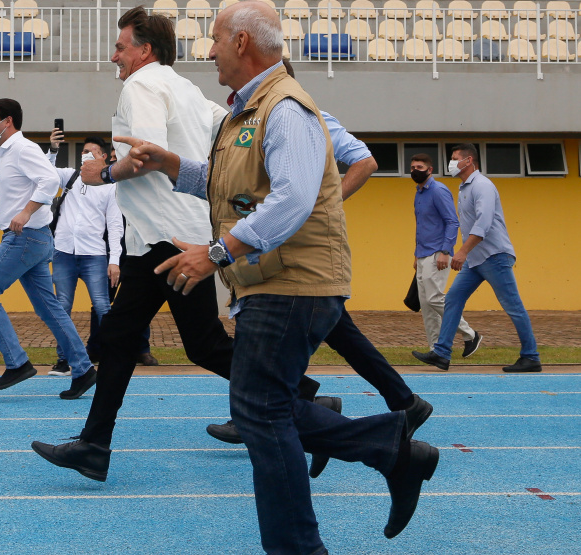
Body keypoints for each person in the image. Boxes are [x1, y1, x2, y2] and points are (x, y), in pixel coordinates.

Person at [33, 4, 439, 552]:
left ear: (243, 41)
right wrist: (171, 164)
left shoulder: (284, 108)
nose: (209, 50)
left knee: (255, 406)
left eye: (218, 39)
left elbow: (296, 196)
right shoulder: (239, 113)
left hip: (293, 279)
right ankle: (389, 448)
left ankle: (377, 457)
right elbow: (219, 182)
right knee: (256, 406)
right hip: (269, 276)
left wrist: (217, 252)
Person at [205, 63, 434, 483]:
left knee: (290, 349)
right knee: (337, 336)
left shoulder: (302, 116)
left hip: (297, 258)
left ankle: (304, 408)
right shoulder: (254, 119)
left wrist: (323, 201)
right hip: (277, 257)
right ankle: (387, 404)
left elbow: (365, 161)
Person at [32, 5, 237, 461]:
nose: (113, 57)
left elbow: (144, 155)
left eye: (120, 47)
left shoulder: (142, 85)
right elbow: (223, 130)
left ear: (144, 50)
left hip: (161, 239)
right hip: (173, 233)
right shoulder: (185, 88)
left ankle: (302, 400)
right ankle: (94, 444)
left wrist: (100, 173)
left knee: (192, 344)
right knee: (134, 338)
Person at [0, 98, 97, 399]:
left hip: (25, 237)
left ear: (8, 121)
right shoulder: (8, 152)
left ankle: (18, 363)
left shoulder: (22, 148)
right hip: (34, 238)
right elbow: (19, 196)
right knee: (49, 309)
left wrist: (25, 213)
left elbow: (50, 180)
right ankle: (83, 369)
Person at [413, 143, 541, 373]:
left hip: (495, 256)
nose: (451, 163)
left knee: (513, 306)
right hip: (476, 260)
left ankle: (531, 356)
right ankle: (442, 352)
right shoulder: (464, 187)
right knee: (452, 300)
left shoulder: (483, 186)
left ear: (468, 161)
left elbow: (484, 223)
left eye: (454, 158)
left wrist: (461, 252)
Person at [45, 132, 124, 377]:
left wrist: (114, 261)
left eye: (91, 151)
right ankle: (62, 360)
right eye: (83, 151)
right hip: (64, 252)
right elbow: (45, 175)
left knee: (102, 306)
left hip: (94, 255)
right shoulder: (70, 176)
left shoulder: (111, 187)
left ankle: (113, 356)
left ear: (103, 156)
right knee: (62, 306)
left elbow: (115, 225)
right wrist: (53, 150)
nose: (86, 155)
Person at [83, 148, 158, 367]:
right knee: (101, 301)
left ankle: (141, 350)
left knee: (140, 301)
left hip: (139, 248)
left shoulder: (140, 184)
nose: (117, 161)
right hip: (110, 251)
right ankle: (95, 348)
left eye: (120, 158)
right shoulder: (104, 185)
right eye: (114, 158)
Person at [410, 153, 481, 356]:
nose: (415, 170)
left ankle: (470, 334)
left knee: (435, 299)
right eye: (413, 167)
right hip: (423, 254)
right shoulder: (419, 193)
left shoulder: (439, 191)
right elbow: (421, 226)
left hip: (438, 254)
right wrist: (416, 254)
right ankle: (435, 349)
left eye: (420, 167)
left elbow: (452, 222)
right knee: (426, 304)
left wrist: (445, 251)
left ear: (430, 170)